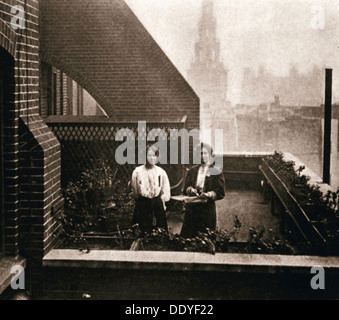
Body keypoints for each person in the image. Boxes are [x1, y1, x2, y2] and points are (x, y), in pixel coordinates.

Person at [180, 143, 226, 238]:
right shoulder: (192, 170)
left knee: (205, 236)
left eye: (205, 153)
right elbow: (185, 188)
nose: (202, 156)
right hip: (192, 208)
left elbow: (221, 192)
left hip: (207, 209)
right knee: (189, 235)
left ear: (210, 155)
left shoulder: (215, 171)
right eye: (200, 153)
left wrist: (209, 194)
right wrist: (190, 190)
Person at [130, 144, 171, 235]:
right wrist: (141, 200)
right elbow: (135, 191)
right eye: (149, 155)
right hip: (143, 203)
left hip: (157, 203)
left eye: (154, 156)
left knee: (160, 231)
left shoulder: (161, 172)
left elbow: (166, 190)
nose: (152, 158)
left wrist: (162, 201)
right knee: (142, 230)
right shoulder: (137, 172)